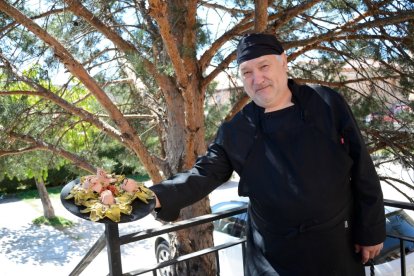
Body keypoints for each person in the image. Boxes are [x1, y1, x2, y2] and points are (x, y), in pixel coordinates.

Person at [150, 33, 386, 275]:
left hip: (336, 249)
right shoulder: (238, 129)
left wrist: (371, 231)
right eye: (247, 72)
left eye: (264, 66)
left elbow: (362, 168)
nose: (257, 79)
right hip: (272, 260)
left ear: (283, 62)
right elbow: (202, 174)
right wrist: (152, 197)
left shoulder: (326, 102)